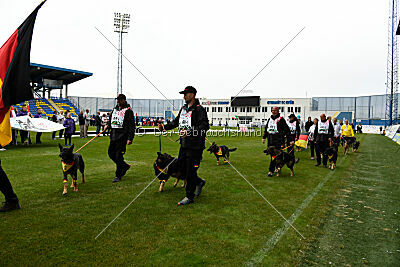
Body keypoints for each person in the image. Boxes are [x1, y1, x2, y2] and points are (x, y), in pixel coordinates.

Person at [158, 86, 209, 205]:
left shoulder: (199, 109)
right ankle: (199, 182)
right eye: (184, 94)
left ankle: (189, 196)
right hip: (184, 145)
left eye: (186, 94)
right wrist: (165, 126)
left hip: (195, 146)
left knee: (190, 171)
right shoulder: (183, 109)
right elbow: (176, 122)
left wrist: (190, 131)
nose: (184, 96)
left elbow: (205, 126)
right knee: (182, 168)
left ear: (193, 95)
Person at [107, 94, 136, 183]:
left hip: (123, 137)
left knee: (118, 156)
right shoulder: (114, 109)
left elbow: (132, 126)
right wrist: (107, 126)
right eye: (117, 100)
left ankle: (118, 175)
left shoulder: (128, 111)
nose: (118, 101)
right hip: (113, 136)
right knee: (110, 153)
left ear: (124, 100)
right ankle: (124, 166)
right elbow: (111, 120)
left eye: (120, 100)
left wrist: (130, 138)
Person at [262, 106, 290, 177]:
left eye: (275, 110)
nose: (273, 112)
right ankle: (276, 168)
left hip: (278, 140)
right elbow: (266, 129)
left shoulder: (281, 119)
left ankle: (271, 171)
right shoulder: (269, 119)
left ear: (278, 111)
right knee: (272, 156)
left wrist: (282, 135)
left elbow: (287, 130)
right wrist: (264, 137)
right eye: (272, 110)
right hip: (270, 139)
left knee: (277, 156)